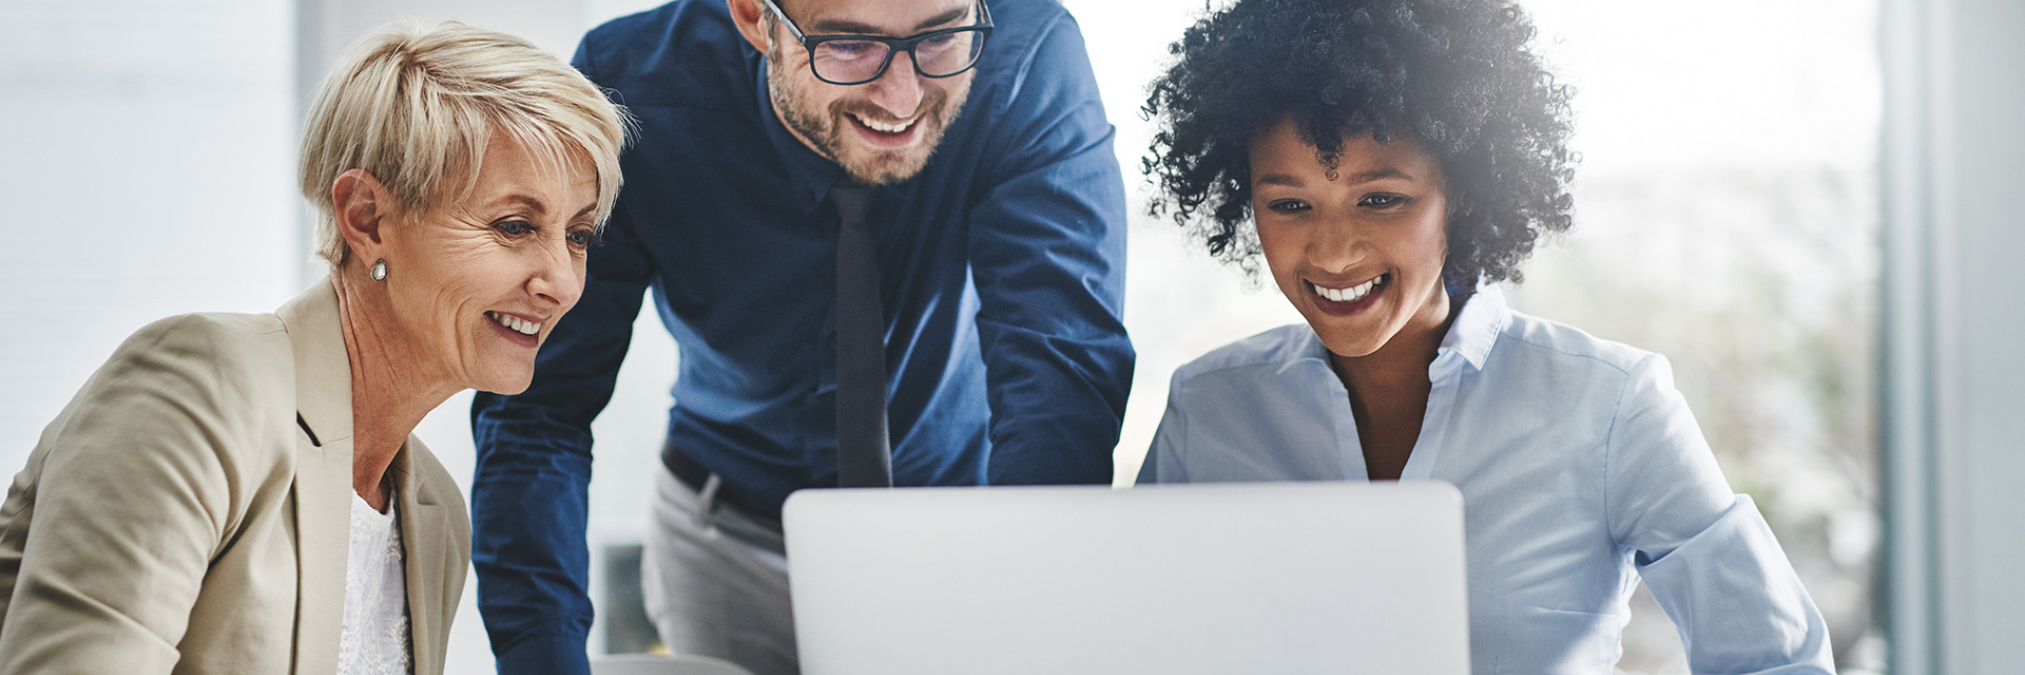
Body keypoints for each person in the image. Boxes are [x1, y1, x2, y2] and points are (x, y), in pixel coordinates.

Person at [1135, 0, 1836, 672]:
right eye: (1289, 205)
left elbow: (1779, 659)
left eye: (1380, 199)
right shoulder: (1208, 412)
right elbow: (1127, 644)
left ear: (1461, 190)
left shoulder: (1609, 405)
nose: (1332, 251)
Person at [467, 0, 1134, 672]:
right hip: (721, 535)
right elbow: (539, 408)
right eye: (848, 45)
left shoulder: (1027, 55)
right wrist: (542, 657)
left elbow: (1058, 365)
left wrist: (1039, 604)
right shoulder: (631, 87)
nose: (901, 97)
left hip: (959, 521)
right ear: (755, 17)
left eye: (938, 36)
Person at [0, 22, 630, 675]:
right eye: (515, 226)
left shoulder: (433, 511)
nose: (560, 282)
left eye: (578, 235)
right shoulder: (201, 389)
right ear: (367, 218)